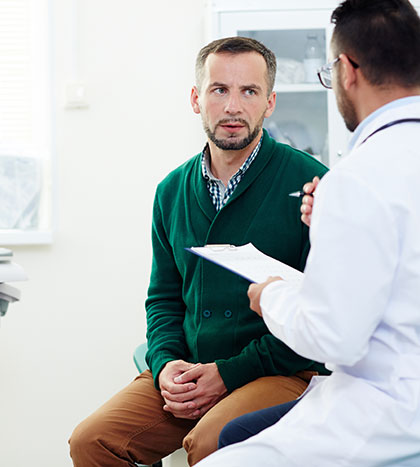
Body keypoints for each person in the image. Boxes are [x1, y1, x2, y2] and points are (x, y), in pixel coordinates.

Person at [68, 36, 329, 466]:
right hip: (189, 371)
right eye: (219, 90)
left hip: (278, 370)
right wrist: (166, 362)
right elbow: (164, 299)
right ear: (196, 98)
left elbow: (322, 315)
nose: (233, 107)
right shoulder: (171, 191)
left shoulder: (312, 184)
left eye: (249, 91)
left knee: (210, 442)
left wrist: (228, 374)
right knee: (91, 442)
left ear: (270, 102)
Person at [198, 1, 420, 465]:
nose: (233, 105)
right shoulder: (361, 182)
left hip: (390, 413)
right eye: (219, 89)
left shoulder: (353, 178)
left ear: (346, 70)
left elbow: (333, 337)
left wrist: (272, 295)